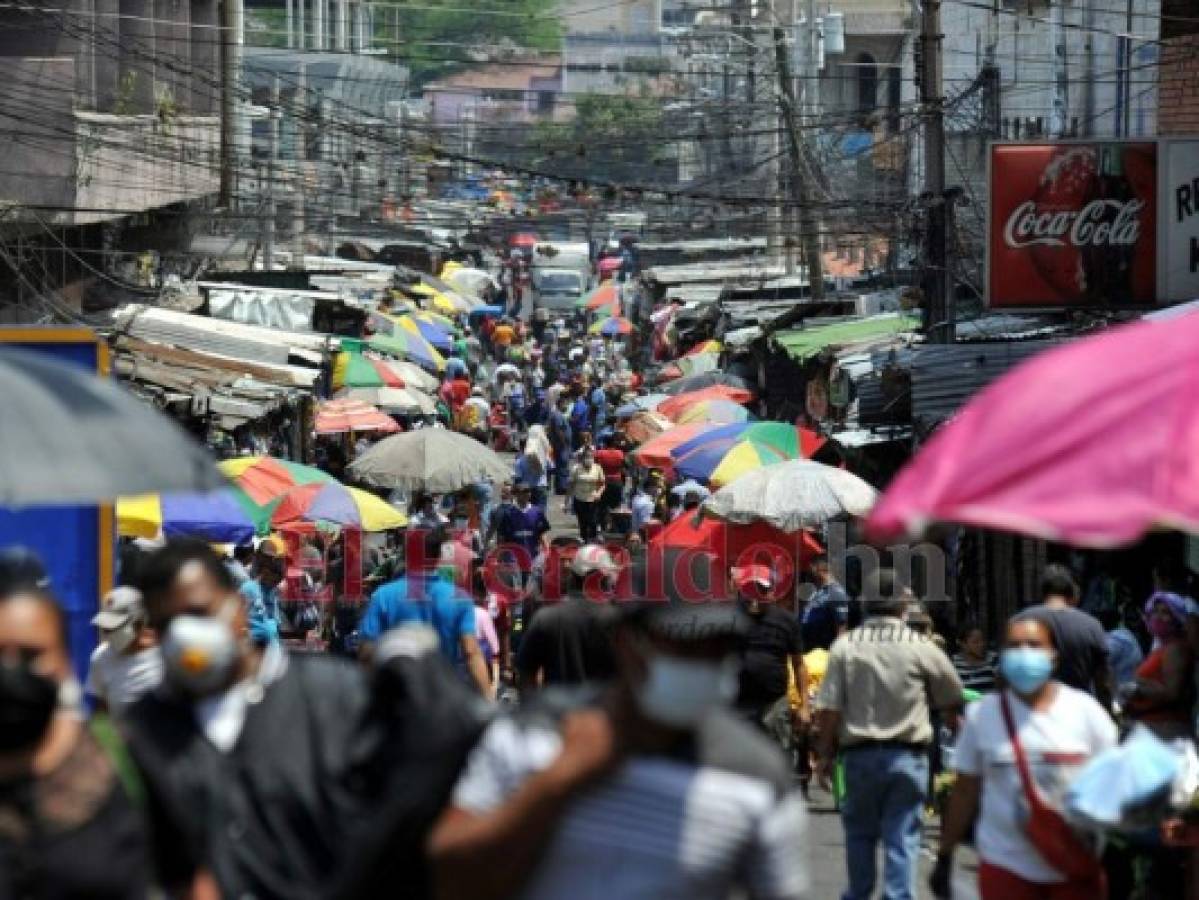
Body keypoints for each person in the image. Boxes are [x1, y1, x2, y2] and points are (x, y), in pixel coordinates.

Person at [428, 572, 810, 900]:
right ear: (628, 643)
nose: (702, 664)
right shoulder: (532, 736)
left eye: (717, 650)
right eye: (683, 646)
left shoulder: (757, 773)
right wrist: (556, 781)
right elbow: (447, 873)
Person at [123, 540, 375, 899]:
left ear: (238, 609)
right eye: (168, 624)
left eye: (198, 613)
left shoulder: (332, 697)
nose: (184, 633)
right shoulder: (145, 730)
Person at [934, 615, 1117, 899]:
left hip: (1075, 867)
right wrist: (945, 855)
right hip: (1006, 867)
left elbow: (1113, 784)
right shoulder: (983, 716)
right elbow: (965, 790)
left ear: (1054, 657)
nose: (1025, 654)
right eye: (1015, 646)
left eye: (1034, 645)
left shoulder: (1086, 712)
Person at [0, 565, 152, 900]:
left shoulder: (131, 764)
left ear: (63, 658)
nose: (11, 670)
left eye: (31, 654)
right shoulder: (102, 659)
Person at [815, 569, 964, 900]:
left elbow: (829, 709)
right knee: (902, 838)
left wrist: (824, 755)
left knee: (860, 836)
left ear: (865, 605)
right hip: (907, 759)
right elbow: (952, 695)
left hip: (858, 759)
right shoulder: (920, 646)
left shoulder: (845, 647)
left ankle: (858, 894)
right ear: (902, 606)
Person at [359, 527, 492, 698]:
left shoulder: (382, 596)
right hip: (443, 698)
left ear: (406, 556)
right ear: (438, 557)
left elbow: (367, 652)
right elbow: (471, 652)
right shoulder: (459, 598)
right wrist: (488, 701)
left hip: (395, 701)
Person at [516, 552, 617, 693]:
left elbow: (526, 673)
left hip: (558, 708)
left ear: (573, 577)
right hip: (604, 709)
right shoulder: (620, 621)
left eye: (568, 561)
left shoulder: (546, 617)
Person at [1017, 565, 1112, 710]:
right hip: (1077, 717)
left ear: (1043, 592)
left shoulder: (1021, 621)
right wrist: (1108, 715)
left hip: (1032, 717)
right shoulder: (1092, 626)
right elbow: (1103, 684)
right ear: (1071, 593)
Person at [733, 566, 810, 744]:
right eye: (749, 590)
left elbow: (799, 664)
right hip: (739, 704)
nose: (754, 596)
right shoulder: (730, 618)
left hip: (774, 704)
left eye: (761, 590)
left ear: (771, 592)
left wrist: (804, 706)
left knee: (781, 758)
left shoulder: (786, 621)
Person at [1123, 591, 1193, 740]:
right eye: (1155, 611)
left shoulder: (1176, 649)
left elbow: (1172, 693)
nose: (1157, 616)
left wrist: (1138, 688)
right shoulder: (1162, 648)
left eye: (1166, 613)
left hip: (1164, 730)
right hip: (1151, 728)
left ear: (1177, 619)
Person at [85, 585, 163, 718]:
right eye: (105, 627)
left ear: (138, 622)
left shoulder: (166, 653)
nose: (107, 633)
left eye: (114, 627)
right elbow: (104, 709)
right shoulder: (100, 657)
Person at [801, 554, 850, 650]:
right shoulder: (817, 591)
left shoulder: (836, 593)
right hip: (809, 649)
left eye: (813, 565)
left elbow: (841, 626)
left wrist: (837, 654)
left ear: (822, 567)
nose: (811, 569)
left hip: (823, 651)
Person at [1097, 606, 1143, 694]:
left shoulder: (1116, 639)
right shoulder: (1124, 633)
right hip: (1127, 687)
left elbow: (1099, 661)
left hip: (1123, 691)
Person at [569, 449, 605, 542]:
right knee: (583, 523)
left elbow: (602, 484)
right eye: (587, 457)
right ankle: (584, 542)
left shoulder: (597, 468)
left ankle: (593, 541)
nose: (589, 459)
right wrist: (567, 501)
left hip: (593, 499)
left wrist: (599, 493)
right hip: (579, 499)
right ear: (582, 458)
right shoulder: (576, 468)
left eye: (591, 457)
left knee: (593, 522)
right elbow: (571, 485)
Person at [952, 624, 998, 693]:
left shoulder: (992, 658)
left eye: (982, 640)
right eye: (975, 642)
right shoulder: (954, 662)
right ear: (963, 644)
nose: (981, 645)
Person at [593, 435, 626, 530]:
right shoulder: (620, 453)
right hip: (616, 482)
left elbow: (594, 466)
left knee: (602, 506)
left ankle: (603, 526)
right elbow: (623, 467)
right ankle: (615, 527)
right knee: (616, 507)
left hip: (603, 482)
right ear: (614, 443)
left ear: (605, 443)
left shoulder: (599, 453)